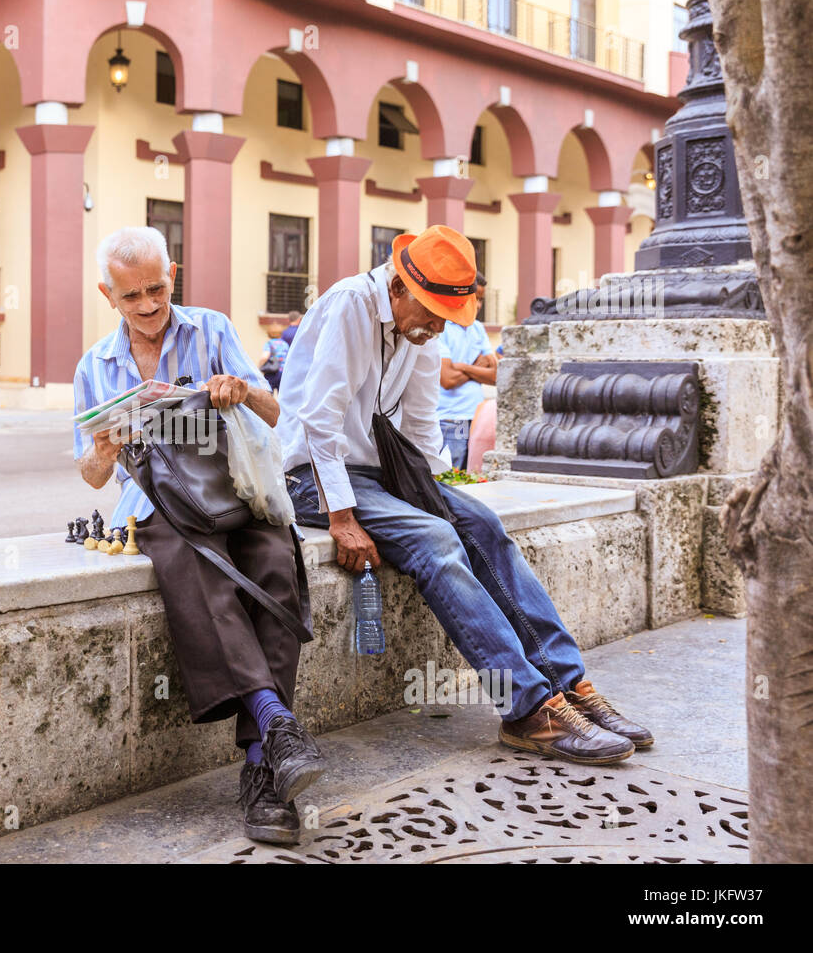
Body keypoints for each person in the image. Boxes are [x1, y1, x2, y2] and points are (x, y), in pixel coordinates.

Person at [276, 225, 653, 765]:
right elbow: (318, 422)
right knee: (434, 539)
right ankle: (526, 709)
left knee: (481, 524)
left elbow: (424, 425)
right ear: (399, 287)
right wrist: (341, 517)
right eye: (429, 313)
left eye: (445, 317)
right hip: (314, 475)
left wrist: (445, 490)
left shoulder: (421, 332)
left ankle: (568, 685)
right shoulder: (350, 305)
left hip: (382, 473)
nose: (435, 328)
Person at [73, 226, 325, 844]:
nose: (149, 306)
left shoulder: (211, 329)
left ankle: (262, 760)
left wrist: (239, 393)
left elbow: (278, 413)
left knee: (274, 566)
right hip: (158, 501)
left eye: (156, 289)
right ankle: (273, 738)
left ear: (173, 275)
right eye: (132, 297)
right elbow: (91, 474)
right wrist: (104, 447)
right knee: (200, 569)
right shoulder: (96, 366)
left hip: (235, 490)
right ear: (109, 296)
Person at [436, 271, 497, 470]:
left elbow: (496, 374)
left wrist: (462, 366)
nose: (478, 305)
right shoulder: (441, 327)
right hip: (452, 419)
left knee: (474, 473)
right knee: (453, 473)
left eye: (481, 300)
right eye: (475, 298)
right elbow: (447, 379)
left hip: (476, 417)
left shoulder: (477, 328)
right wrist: (478, 368)